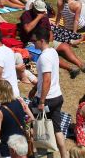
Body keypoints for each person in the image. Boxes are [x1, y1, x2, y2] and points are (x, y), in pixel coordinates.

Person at [29, 27, 66, 158]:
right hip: (57, 96)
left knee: (34, 124)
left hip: (47, 100)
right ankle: (63, 155)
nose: (33, 43)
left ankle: (35, 153)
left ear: (42, 40)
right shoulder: (53, 52)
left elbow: (47, 80)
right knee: (56, 129)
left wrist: (42, 101)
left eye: (35, 41)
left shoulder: (44, 58)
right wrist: (35, 89)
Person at [0, 79, 35, 158]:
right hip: (22, 145)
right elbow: (31, 118)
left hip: (9, 149)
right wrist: (22, 123)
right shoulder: (19, 101)